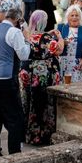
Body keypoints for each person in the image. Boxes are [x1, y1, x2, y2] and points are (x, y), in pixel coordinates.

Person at [0, 1, 31, 158]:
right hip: (6, 79)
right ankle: (14, 153)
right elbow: (24, 55)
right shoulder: (14, 32)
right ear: (17, 18)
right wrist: (27, 39)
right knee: (14, 118)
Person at [19, 10, 63, 145]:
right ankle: (43, 135)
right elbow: (58, 49)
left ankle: (28, 134)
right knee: (45, 103)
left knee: (29, 102)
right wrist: (60, 37)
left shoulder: (26, 35)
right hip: (44, 74)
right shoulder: (47, 39)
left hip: (28, 72)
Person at [58, 5, 82, 83]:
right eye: (72, 15)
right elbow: (56, 44)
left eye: (77, 15)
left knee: (78, 88)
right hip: (64, 62)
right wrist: (62, 42)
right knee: (64, 87)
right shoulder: (61, 27)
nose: (74, 17)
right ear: (67, 17)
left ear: (80, 17)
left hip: (79, 63)